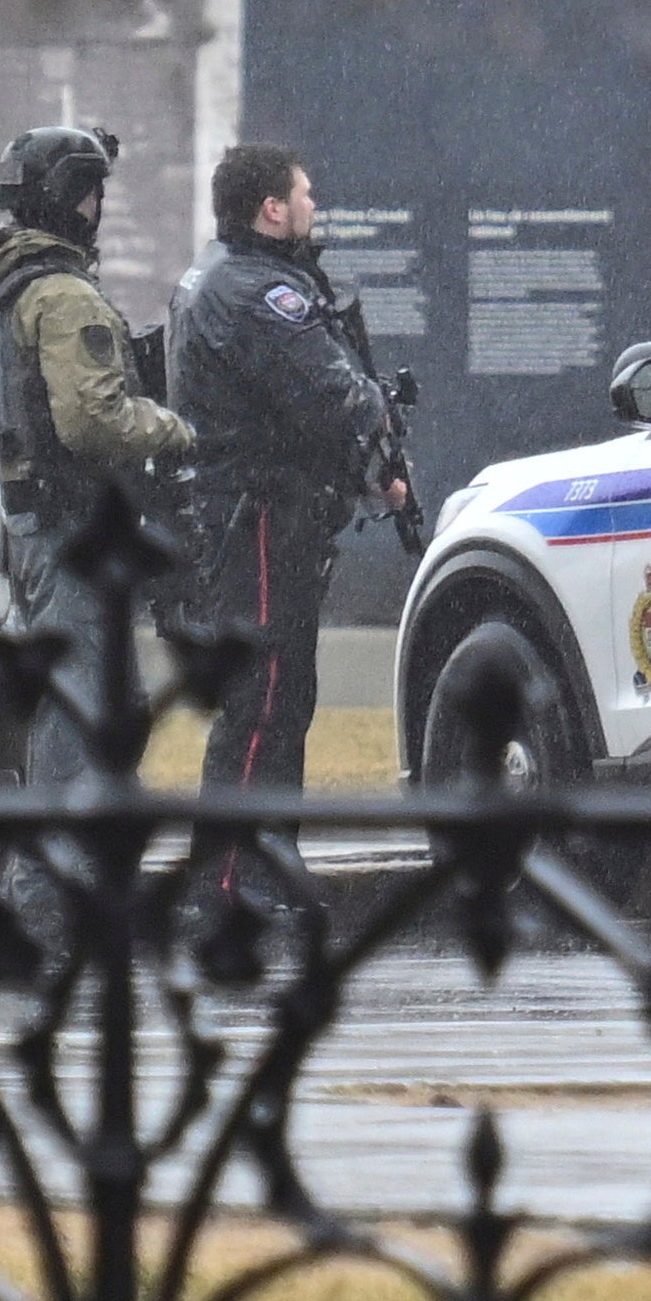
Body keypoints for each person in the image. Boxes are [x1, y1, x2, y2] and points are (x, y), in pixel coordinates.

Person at [0, 125, 193, 784]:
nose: (97, 207)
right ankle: (52, 876)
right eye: (91, 192)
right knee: (86, 713)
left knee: (108, 705)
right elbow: (92, 422)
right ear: (69, 199)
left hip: (24, 523)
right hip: (67, 528)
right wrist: (178, 430)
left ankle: (67, 864)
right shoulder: (61, 295)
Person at [169, 143, 407, 806]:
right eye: (304, 195)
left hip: (249, 513)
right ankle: (232, 883)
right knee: (264, 700)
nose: (313, 205)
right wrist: (378, 413)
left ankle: (261, 873)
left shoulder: (216, 274)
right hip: (260, 518)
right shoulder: (258, 291)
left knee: (278, 697)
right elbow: (340, 397)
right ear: (273, 209)